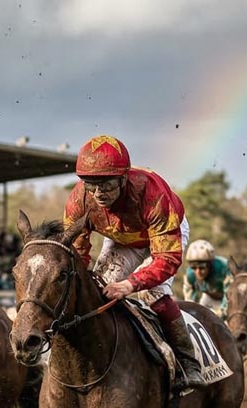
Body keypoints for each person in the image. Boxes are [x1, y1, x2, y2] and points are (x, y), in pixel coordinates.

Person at [63, 135, 201, 390]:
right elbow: (78, 254)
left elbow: (167, 258)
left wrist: (130, 284)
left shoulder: (153, 195)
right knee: (98, 290)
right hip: (121, 238)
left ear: (123, 178)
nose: (98, 193)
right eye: (91, 185)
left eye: (106, 185)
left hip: (163, 236)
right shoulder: (79, 200)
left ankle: (188, 361)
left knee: (153, 293)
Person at [181, 239, 232, 318]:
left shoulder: (223, 268)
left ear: (210, 265)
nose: (198, 272)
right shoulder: (190, 274)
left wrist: (221, 314)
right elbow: (189, 301)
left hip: (229, 299)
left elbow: (230, 294)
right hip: (210, 297)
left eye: (202, 267)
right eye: (193, 267)